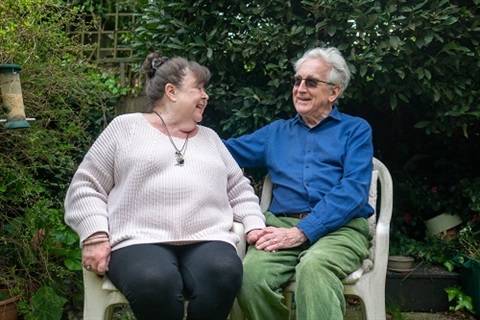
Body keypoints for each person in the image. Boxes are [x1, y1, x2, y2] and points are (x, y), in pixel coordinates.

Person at [64, 53, 266, 320]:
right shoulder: (124, 128)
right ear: (171, 91)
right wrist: (95, 236)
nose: (206, 96)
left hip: (208, 238)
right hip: (138, 239)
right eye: (198, 88)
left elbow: (239, 190)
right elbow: (86, 186)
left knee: (224, 272)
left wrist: (254, 225)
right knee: (153, 281)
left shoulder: (210, 138)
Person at [223, 46, 374, 319]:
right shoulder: (276, 133)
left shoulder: (355, 130)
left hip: (342, 229)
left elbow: (353, 191)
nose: (300, 88)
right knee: (250, 277)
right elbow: (221, 151)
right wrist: (176, 128)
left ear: (334, 92)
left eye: (311, 82)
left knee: (314, 267)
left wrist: (303, 231)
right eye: (297, 81)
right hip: (281, 224)